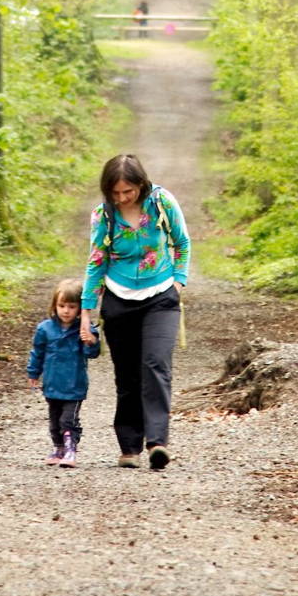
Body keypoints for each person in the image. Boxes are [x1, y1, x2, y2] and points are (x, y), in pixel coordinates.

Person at [78, 154, 189, 470]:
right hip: (119, 299)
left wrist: (177, 284)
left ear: (140, 184)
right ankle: (129, 446)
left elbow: (181, 243)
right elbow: (96, 261)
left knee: (156, 364)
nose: (122, 198)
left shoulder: (161, 202)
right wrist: (87, 311)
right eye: (115, 193)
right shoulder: (104, 215)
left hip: (160, 297)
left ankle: (157, 443)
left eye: (127, 191)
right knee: (126, 374)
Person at [26, 279, 99, 467]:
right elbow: (38, 353)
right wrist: (33, 373)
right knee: (54, 421)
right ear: (54, 306)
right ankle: (58, 448)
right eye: (61, 306)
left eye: (72, 306)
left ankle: (70, 450)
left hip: (74, 385)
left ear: (80, 308)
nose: (66, 311)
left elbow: (92, 354)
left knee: (69, 420)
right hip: (52, 384)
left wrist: (90, 341)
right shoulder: (45, 329)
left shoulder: (84, 329)